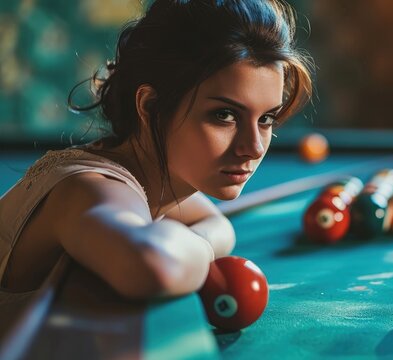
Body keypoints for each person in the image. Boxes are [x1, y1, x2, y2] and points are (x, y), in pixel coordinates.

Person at [0, 0, 313, 300]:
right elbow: (152, 266)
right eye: (224, 115)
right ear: (150, 106)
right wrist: (203, 249)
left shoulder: (154, 179)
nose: (254, 147)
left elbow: (218, 224)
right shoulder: (90, 189)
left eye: (266, 118)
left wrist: (196, 242)